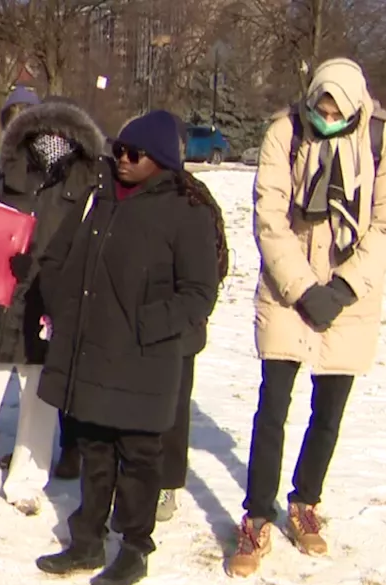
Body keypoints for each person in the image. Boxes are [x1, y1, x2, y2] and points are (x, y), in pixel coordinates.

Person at [228, 58, 386, 577]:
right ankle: (256, 515)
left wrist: (345, 286)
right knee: (273, 408)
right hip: (288, 290)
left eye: (337, 112)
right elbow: (269, 216)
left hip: (350, 293)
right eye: (320, 109)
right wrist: (302, 287)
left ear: (355, 107)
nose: (327, 117)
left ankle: (305, 501)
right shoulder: (284, 132)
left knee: (328, 412)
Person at [34, 110, 222, 585]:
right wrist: (61, 302)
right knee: (95, 448)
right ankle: (88, 539)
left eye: (133, 154)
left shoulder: (186, 210)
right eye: (118, 149)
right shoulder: (104, 199)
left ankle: (134, 547)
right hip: (94, 351)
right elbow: (71, 259)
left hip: (144, 357)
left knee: (139, 457)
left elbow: (200, 292)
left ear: (159, 160)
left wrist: (147, 325)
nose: (122, 159)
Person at [0, 96, 105, 514]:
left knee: (41, 398)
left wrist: (63, 287)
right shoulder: (0, 170)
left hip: (47, 300)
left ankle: (28, 480)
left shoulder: (88, 179)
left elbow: (92, 241)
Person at [155, 113, 229, 523]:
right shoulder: (129, 194)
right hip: (138, 321)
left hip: (181, 325)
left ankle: (167, 483)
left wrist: (187, 312)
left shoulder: (196, 199)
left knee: (174, 407)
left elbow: (216, 261)